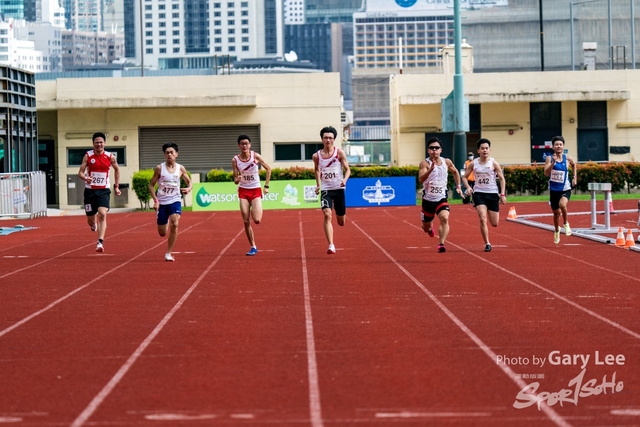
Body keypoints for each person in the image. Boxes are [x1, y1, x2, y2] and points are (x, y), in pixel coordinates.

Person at [78, 132, 121, 253]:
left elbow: (117, 170)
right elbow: (80, 172)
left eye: (101, 142)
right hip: (90, 191)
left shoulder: (110, 156)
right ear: (93, 143)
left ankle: (100, 242)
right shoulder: (88, 156)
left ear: (105, 143)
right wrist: (85, 177)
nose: (99, 144)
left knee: (102, 213)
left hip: (103, 190)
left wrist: (116, 186)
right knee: (91, 218)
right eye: (96, 142)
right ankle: (92, 224)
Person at [148, 142, 192, 261]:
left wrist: (188, 188)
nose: (169, 154)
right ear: (164, 155)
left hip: (175, 200)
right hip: (162, 202)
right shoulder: (159, 168)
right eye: (167, 153)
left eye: (172, 152)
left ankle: (168, 253)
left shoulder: (180, 168)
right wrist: (156, 200)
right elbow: (151, 185)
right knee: (162, 233)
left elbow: (189, 182)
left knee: (175, 223)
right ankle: (164, 219)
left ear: (176, 154)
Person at [419, 137, 463, 253]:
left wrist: (459, 187)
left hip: (441, 198)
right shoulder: (424, 163)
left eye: (436, 148)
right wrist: (431, 169)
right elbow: (421, 179)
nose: (434, 150)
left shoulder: (446, 162)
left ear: (440, 150)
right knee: (425, 228)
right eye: (432, 148)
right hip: (428, 200)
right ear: (428, 150)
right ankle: (430, 229)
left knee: (444, 218)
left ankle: (441, 243)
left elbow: (455, 172)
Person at [462, 138, 507, 252]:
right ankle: (487, 243)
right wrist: (468, 187)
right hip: (479, 194)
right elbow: (464, 177)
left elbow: (502, 179)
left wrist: (502, 194)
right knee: (482, 218)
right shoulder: (474, 163)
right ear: (478, 150)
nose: (485, 150)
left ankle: (493, 211)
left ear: (489, 150)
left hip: (492, 194)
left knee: (494, 223)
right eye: (482, 148)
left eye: (486, 148)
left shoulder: (493, 163)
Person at [313, 125, 351, 254]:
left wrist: (344, 180)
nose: (328, 140)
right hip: (326, 190)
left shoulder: (339, 153)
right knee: (327, 215)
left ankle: (339, 215)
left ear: (334, 139)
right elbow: (317, 170)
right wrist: (318, 184)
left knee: (341, 222)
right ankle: (331, 245)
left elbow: (348, 169)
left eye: (330, 138)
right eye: (325, 138)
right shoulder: (316, 156)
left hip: (338, 189)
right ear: (322, 139)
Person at [232, 134, 271, 256]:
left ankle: (257, 210)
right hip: (243, 191)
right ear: (239, 146)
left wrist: (266, 186)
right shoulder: (235, 160)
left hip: (255, 190)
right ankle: (253, 246)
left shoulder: (255, 156)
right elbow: (235, 179)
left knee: (257, 220)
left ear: (250, 145)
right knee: (246, 220)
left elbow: (268, 169)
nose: (244, 146)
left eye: (246, 143)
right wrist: (237, 179)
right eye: (242, 144)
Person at [543, 136, 577, 244]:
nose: (559, 146)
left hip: (565, 188)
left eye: (560, 144)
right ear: (553, 147)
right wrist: (553, 164)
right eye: (556, 144)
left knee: (563, 205)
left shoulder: (567, 158)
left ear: (563, 146)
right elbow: (545, 173)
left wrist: (575, 177)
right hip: (554, 190)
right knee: (556, 214)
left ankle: (566, 223)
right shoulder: (549, 158)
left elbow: (574, 165)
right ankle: (557, 230)